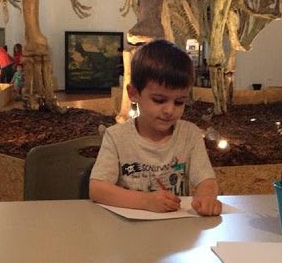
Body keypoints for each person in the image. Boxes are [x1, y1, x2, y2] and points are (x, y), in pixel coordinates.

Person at [89, 39, 221, 216]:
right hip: (128, 227)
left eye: (179, 102)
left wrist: (206, 198)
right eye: (159, 100)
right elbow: (97, 189)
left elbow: (206, 181)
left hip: (176, 226)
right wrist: (146, 201)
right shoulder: (117, 136)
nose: (169, 110)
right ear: (133, 94)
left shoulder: (190, 134)